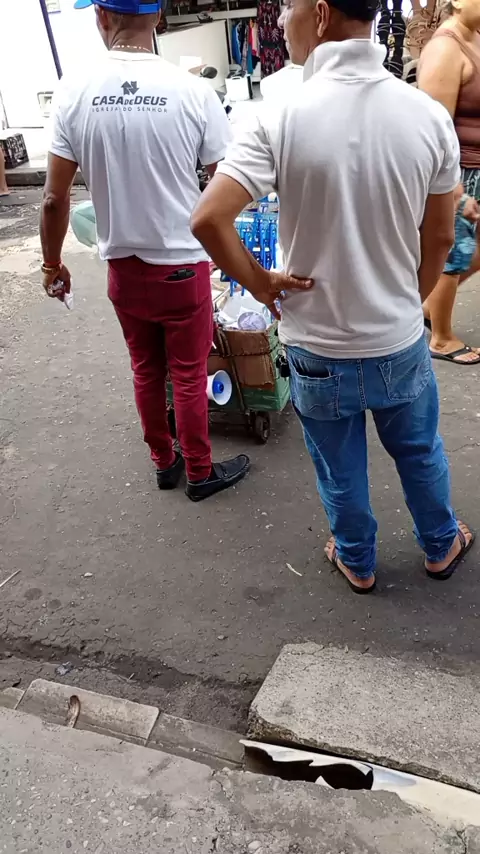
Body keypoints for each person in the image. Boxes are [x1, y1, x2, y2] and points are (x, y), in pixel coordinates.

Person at [191, 0, 475, 591]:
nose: (281, 21)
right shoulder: (425, 116)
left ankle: (357, 560)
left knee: (339, 467)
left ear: (320, 14)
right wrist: (410, 296)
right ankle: (441, 544)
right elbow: (441, 236)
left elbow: (209, 219)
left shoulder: (278, 116)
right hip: (397, 336)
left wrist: (261, 282)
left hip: (316, 342)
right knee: (419, 451)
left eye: (288, 7)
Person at [40, 0, 251, 502]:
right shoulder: (194, 92)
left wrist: (52, 263)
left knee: (146, 370)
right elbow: (227, 182)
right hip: (182, 267)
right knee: (188, 373)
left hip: (123, 268)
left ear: (101, 17)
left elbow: (53, 198)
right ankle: (199, 471)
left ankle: (164, 461)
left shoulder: (73, 92)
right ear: (157, 18)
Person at [417, 0, 480, 365]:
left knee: (472, 248)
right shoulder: (445, 48)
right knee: (453, 253)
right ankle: (440, 338)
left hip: (476, 169)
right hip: (460, 172)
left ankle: (430, 305)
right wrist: (455, 190)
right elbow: (434, 131)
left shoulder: (474, 38)